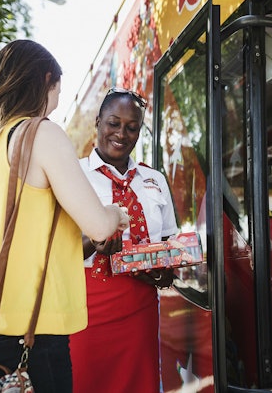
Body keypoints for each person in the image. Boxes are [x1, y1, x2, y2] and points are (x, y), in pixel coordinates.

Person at [0, 40, 130, 392]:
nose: (56, 103)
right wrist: (115, 214)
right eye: (57, 91)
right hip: (26, 334)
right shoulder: (39, 133)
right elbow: (98, 225)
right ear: (46, 80)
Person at [69, 88, 178, 393]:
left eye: (132, 127)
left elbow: (168, 241)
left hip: (141, 310)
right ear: (98, 121)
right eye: (113, 123)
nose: (121, 133)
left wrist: (165, 271)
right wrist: (95, 241)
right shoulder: (73, 175)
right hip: (86, 311)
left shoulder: (154, 180)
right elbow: (54, 250)